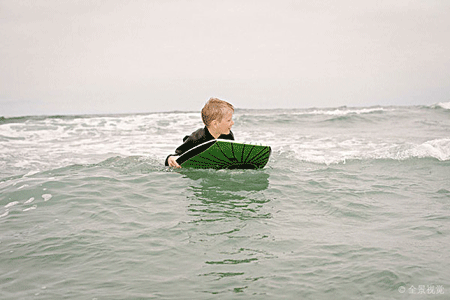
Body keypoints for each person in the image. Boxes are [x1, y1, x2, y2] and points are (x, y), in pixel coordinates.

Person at [165, 97, 235, 168]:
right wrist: (170, 158)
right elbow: (177, 156)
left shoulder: (228, 136)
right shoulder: (196, 138)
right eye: (229, 120)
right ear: (215, 124)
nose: (232, 123)